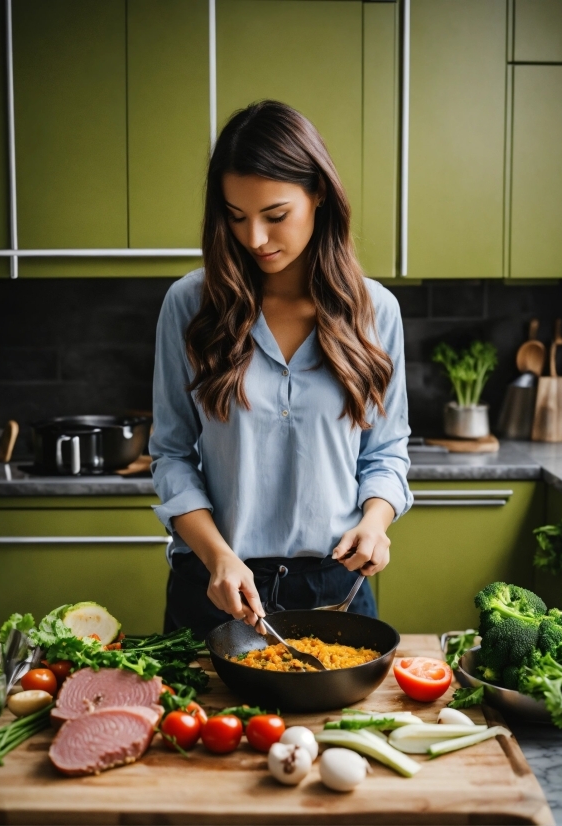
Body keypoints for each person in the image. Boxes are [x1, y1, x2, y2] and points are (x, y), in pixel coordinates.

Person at [150, 100, 412, 641]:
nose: (254, 240)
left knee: (331, 728)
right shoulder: (189, 305)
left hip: (335, 592)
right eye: (236, 216)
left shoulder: (375, 311)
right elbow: (172, 455)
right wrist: (219, 556)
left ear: (319, 194)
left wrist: (375, 523)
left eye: (275, 215)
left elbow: (385, 452)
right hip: (215, 585)